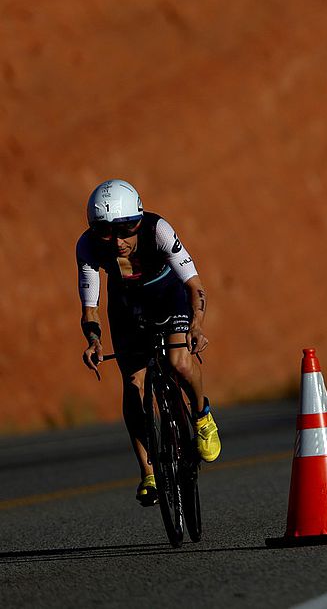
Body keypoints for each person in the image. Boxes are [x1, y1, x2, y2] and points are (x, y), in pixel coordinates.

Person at [77, 178, 221, 506]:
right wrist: (94, 340)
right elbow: (90, 305)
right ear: (93, 230)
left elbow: (195, 285)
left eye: (127, 228)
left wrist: (196, 326)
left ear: (139, 221)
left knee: (179, 362)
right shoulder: (87, 246)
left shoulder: (158, 230)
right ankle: (148, 472)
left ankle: (202, 415)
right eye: (105, 231)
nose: (117, 241)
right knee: (133, 382)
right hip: (126, 303)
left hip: (167, 295)